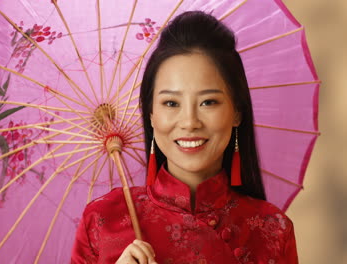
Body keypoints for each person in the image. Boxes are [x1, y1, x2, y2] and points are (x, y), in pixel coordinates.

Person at [71, 11, 298, 263]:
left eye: (208, 102)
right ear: (151, 115)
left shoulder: (273, 230)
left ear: (236, 112)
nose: (189, 122)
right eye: (171, 103)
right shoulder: (103, 221)